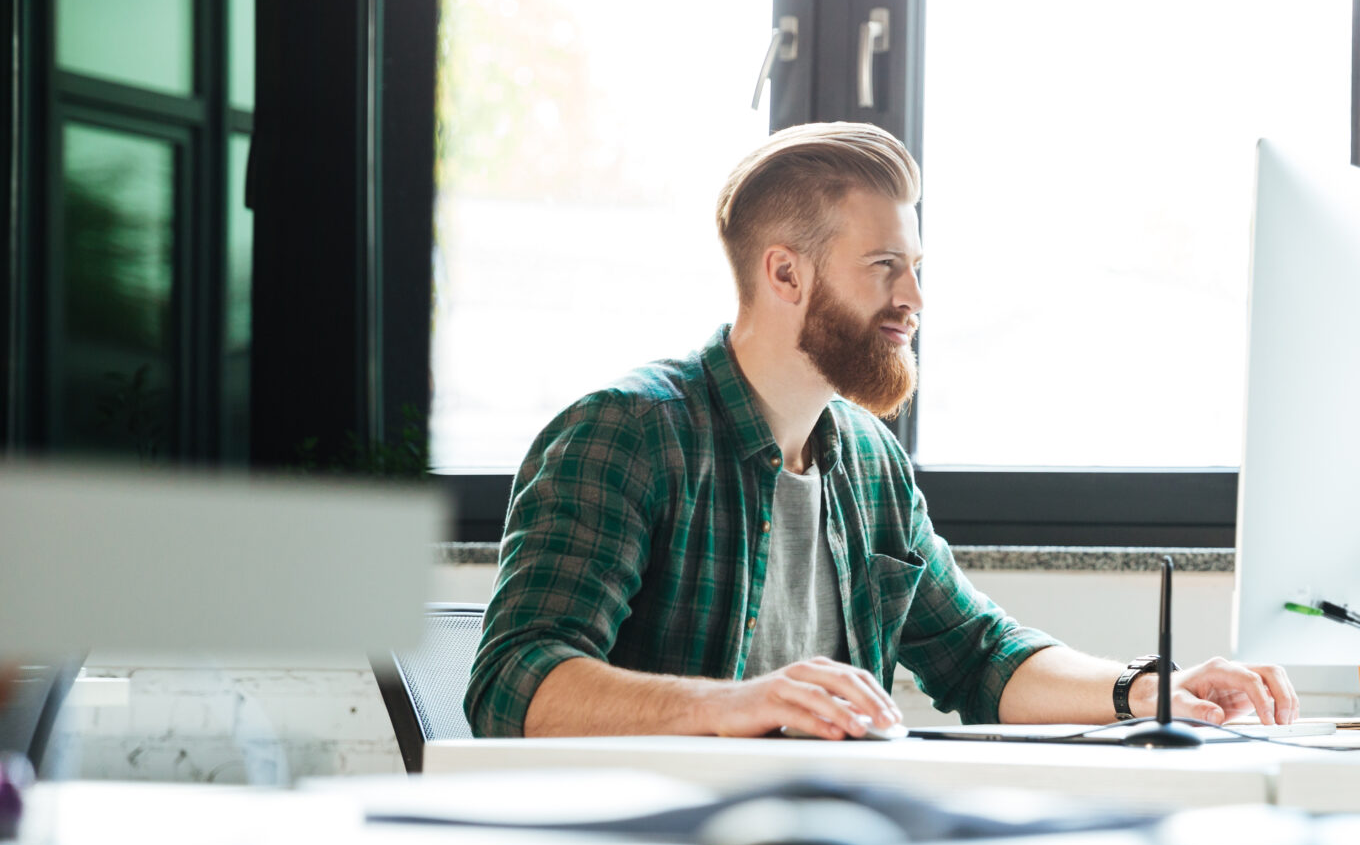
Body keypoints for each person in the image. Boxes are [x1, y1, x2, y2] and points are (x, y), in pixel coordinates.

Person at [466, 122, 1298, 740]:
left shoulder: (866, 461)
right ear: (785, 271)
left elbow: (977, 653)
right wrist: (735, 706)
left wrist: (1148, 688)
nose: (915, 300)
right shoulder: (626, 434)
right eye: (884, 268)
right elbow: (511, 683)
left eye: (916, 269)